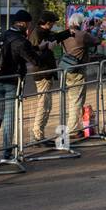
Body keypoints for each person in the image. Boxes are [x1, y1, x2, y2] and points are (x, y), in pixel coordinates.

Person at [0, 10, 41, 163]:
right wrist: (41, 50)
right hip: (12, 81)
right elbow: (34, 60)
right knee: (9, 117)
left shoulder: (3, 36)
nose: (29, 26)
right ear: (23, 23)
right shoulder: (20, 40)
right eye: (29, 23)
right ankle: (6, 153)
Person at [27, 12, 68, 145]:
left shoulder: (43, 32)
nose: (54, 25)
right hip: (42, 73)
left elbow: (55, 36)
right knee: (44, 105)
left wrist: (69, 32)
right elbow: (35, 58)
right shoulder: (37, 34)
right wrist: (49, 49)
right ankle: (38, 135)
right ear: (48, 23)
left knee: (46, 105)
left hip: (46, 73)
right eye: (53, 23)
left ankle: (39, 134)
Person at [59, 13, 101, 141]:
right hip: (78, 71)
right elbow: (97, 41)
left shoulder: (65, 34)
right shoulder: (83, 35)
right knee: (77, 101)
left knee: (72, 99)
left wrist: (87, 29)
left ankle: (74, 127)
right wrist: (98, 29)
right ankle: (73, 130)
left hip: (67, 69)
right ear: (81, 23)